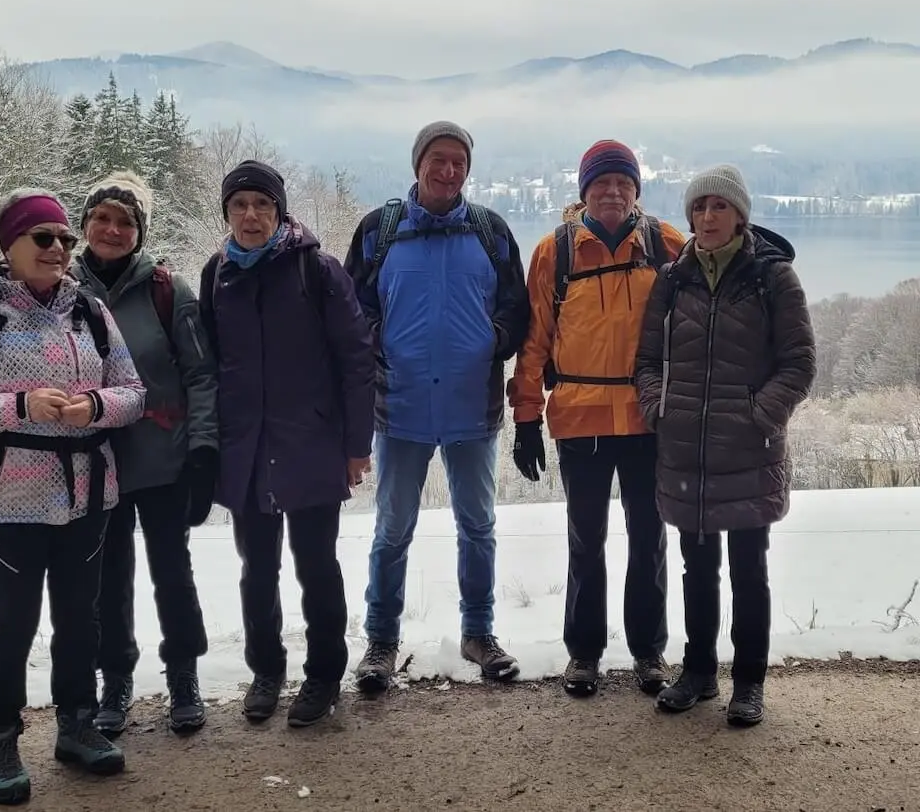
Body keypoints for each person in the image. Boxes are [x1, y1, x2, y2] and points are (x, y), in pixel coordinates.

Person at [0, 189, 146, 804]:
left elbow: (133, 391)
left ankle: (77, 725)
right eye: (42, 238)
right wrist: (17, 406)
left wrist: (96, 406)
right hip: (5, 498)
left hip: (89, 493)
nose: (58, 249)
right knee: (13, 623)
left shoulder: (92, 314)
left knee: (81, 616)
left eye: (64, 240)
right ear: (9, 245)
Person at [344, 121, 531, 691]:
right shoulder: (381, 230)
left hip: (472, 406)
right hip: (398, 407)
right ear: (417, 164)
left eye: (458, 162)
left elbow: (517, 310)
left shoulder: (490, 231)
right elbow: (352, 308)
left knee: (478, 525)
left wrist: (490, 342)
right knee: (392, 527)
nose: (448, 171)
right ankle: (381, 640)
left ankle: (479, 633)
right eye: (438, 160)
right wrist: (379, 341)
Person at [635, 164, 815, 726]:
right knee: (697, 567)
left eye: (719, 207)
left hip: (747, 451)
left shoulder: (772, 277)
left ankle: (750, 683)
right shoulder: (674, 277)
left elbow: (800, 362)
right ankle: (697, 673)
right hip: (686, 449)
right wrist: (657, 408)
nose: (707, 218)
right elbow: (645, 361)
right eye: (698, 208)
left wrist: (760, 413)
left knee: (748, 568)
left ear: (740, 214)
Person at [198, 159, 375, 727]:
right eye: (239, 206)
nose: (251, 216)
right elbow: (209, 363)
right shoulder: (217, 274)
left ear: (279, 212)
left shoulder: (316, 271)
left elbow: (356, 362)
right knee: (257, 568)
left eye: (262, 205)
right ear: (226, 214)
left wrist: (356, 446)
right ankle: (266, 669)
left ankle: (324, 674)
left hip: (312, 443)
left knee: (316, 564)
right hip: (247, 449)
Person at [507, 139, 687, 698]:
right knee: (585, 540)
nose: (612, 192)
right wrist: (527, 418)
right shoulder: (554, 254)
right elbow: (535, 341)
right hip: (580, 420)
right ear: (584, 191)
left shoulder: (666, 246)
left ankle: (649, 653)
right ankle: (583, 655)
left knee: (648, 538)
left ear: (636, 190)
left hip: (647, 419)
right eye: (601, 183)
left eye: (623, 184)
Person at [71, 171, 216, 736]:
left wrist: (203, 449)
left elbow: (201, 375)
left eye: (125, 221)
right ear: (84, 225)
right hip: (92, 462)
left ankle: (183, 674)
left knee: (172, 572)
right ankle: (116, 679)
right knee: (107, 579)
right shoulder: (62, 289)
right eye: (102, 218)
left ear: (140, 231)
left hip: (162, 459)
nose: (112, 229)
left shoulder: (165, 290)